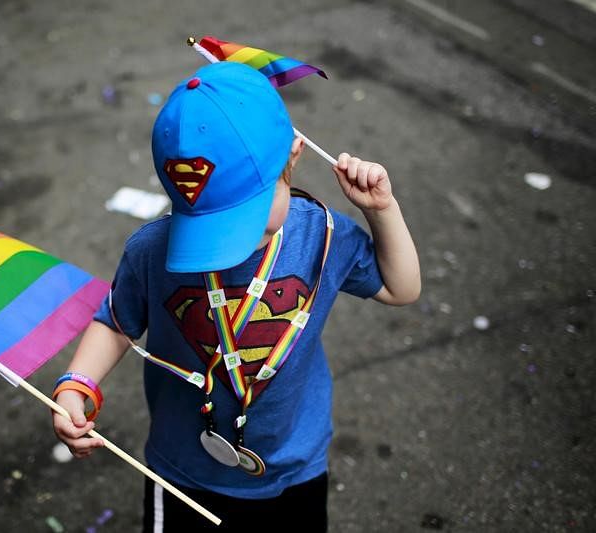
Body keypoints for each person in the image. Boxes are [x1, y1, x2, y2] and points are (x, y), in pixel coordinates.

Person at [52, 61, 420, 532]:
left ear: (294, 155)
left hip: (294, 468)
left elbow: (400, 287)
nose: (230, 239)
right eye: (204, 217)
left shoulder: (324, 237)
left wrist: (382, 211)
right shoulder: (152, 249)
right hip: (183, 471)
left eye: (245, 210)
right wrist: (76, 386)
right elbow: (116, 321)